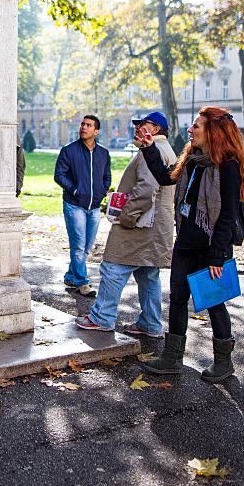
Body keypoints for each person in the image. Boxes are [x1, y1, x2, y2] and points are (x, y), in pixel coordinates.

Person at [137, 106, 244, 382]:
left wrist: (218, 256)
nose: (190, 130)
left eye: (196, 126)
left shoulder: (228, 165)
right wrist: (149, 148)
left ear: (212, 131)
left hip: (211, 246)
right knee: (177, 298)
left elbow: (227, 213)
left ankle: (224, 362)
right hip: (186, 242)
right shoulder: (192, 159)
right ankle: (172, 357)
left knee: (214, 302)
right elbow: (166, 177)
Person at [75, 112, 175, 337]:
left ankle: (102, 317)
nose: (137, 128)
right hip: (155, 226)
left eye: (142, 124)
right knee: (148, 275)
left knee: (113, 267)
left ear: (156, 129)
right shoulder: (163, 149)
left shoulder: (154, 150)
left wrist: (126, 217)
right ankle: (150, 323)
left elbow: (146, 189)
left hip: (140, 224)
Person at [54, 115, 112, 298]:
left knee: (86, 248)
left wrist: (102, 191)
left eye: (88, 125)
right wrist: (75, 190)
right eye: (82, 124)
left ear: (96, 131)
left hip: (94, 207)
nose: (83, 127)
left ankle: (70, 276)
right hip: (74, 205)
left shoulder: (103, 153)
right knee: (78, 247)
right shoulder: (69, 151)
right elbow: (59, 175)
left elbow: (106, 177)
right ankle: (82, 282)